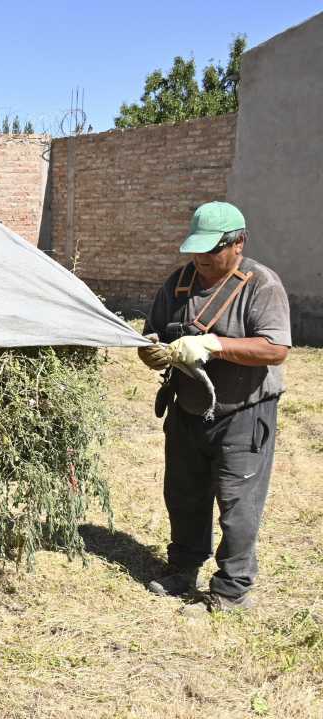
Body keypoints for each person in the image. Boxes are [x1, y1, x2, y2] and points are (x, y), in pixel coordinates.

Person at [137, 201, 291, 614]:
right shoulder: (178, 283)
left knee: (238, 505)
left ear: (239, 243)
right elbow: (151, 335)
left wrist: (214, 344)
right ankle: (183, 568)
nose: (201, 258)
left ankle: (231, 591)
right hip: (187, 409)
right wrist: (152, 352)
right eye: (196, 249)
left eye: (212, 249)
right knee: (183, 495)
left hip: (243, 414)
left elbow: (275, 348)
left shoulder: (261, 285)